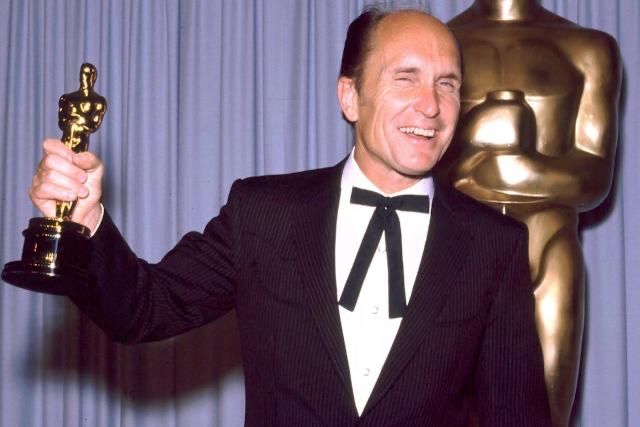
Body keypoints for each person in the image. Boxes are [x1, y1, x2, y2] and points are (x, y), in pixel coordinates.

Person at [28, 8, 550, 426]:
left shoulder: (494, 244)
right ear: (351, 97)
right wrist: (86, 222)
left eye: (447, 84)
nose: (431, 105)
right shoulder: (264, 214)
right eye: (406, 78)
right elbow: (144, 308)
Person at [435, 1, 621, 424]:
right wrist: (470, 149)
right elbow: (411, 165)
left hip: (549, 246)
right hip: (458, 251)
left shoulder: (588, 48)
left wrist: (519, 169)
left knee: (548, 415)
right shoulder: (439, 46)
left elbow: (594, 177)